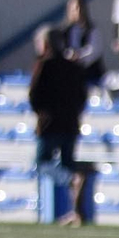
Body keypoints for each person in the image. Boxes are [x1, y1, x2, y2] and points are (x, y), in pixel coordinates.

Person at [28, 26, 89, 225]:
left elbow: (34, 95)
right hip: (70, 124)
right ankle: (76, 212)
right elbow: (82, 96)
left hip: (50, 126)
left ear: (45, 44)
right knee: (68, 164)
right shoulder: (74, 66)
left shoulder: (43, 66)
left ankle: (72, 179)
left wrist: (42, 114)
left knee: (42, 163)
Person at [61, 0, 106, 94]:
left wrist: (79, 56)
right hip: (71, 75)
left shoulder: (92, 30)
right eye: (74, 9)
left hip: (90, 74)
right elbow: (62, 50)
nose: (77, 12)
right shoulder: (65, 31)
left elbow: (95, 51)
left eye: (79, 8)